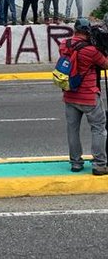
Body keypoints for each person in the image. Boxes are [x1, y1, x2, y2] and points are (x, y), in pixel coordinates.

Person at [59, 18, 108, 175]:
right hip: (88, 96)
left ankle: (76, 163)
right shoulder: (91, 50)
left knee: (72, 130)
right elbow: (106, 64)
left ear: (75, 30)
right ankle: (99, 164)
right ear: (87, 31)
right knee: (98, 128)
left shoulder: (64, 45)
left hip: (70, 95)